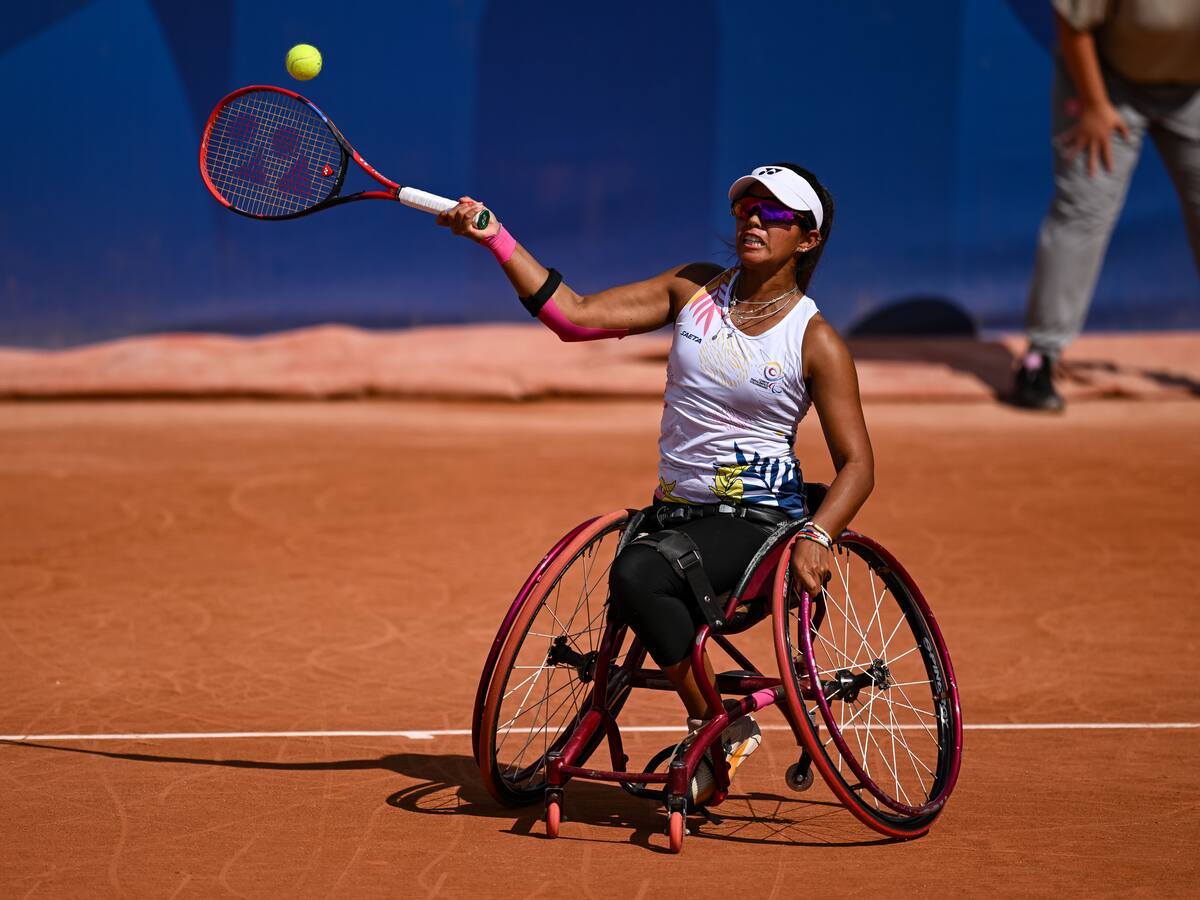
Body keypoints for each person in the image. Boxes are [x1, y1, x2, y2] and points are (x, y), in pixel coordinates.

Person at [438, 163, 874, 802]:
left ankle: (711, 724)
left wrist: (819, 533)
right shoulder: (694, 289)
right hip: (676, 514)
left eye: (775, 212)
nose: (754, 218)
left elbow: (858, 464)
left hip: (757, 523)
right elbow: (575, 315)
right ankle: (716, 721)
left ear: (807, 239)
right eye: (745, 207)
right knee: (642, 568)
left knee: (639, 574)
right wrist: (496, 237)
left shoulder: (816, 340)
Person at [1014, 0, 1200, 411]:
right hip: (1106, 82)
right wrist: (1095, 106)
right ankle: (1038, 360)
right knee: (1084, 207)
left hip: (1194, 91)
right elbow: (1071, 23)